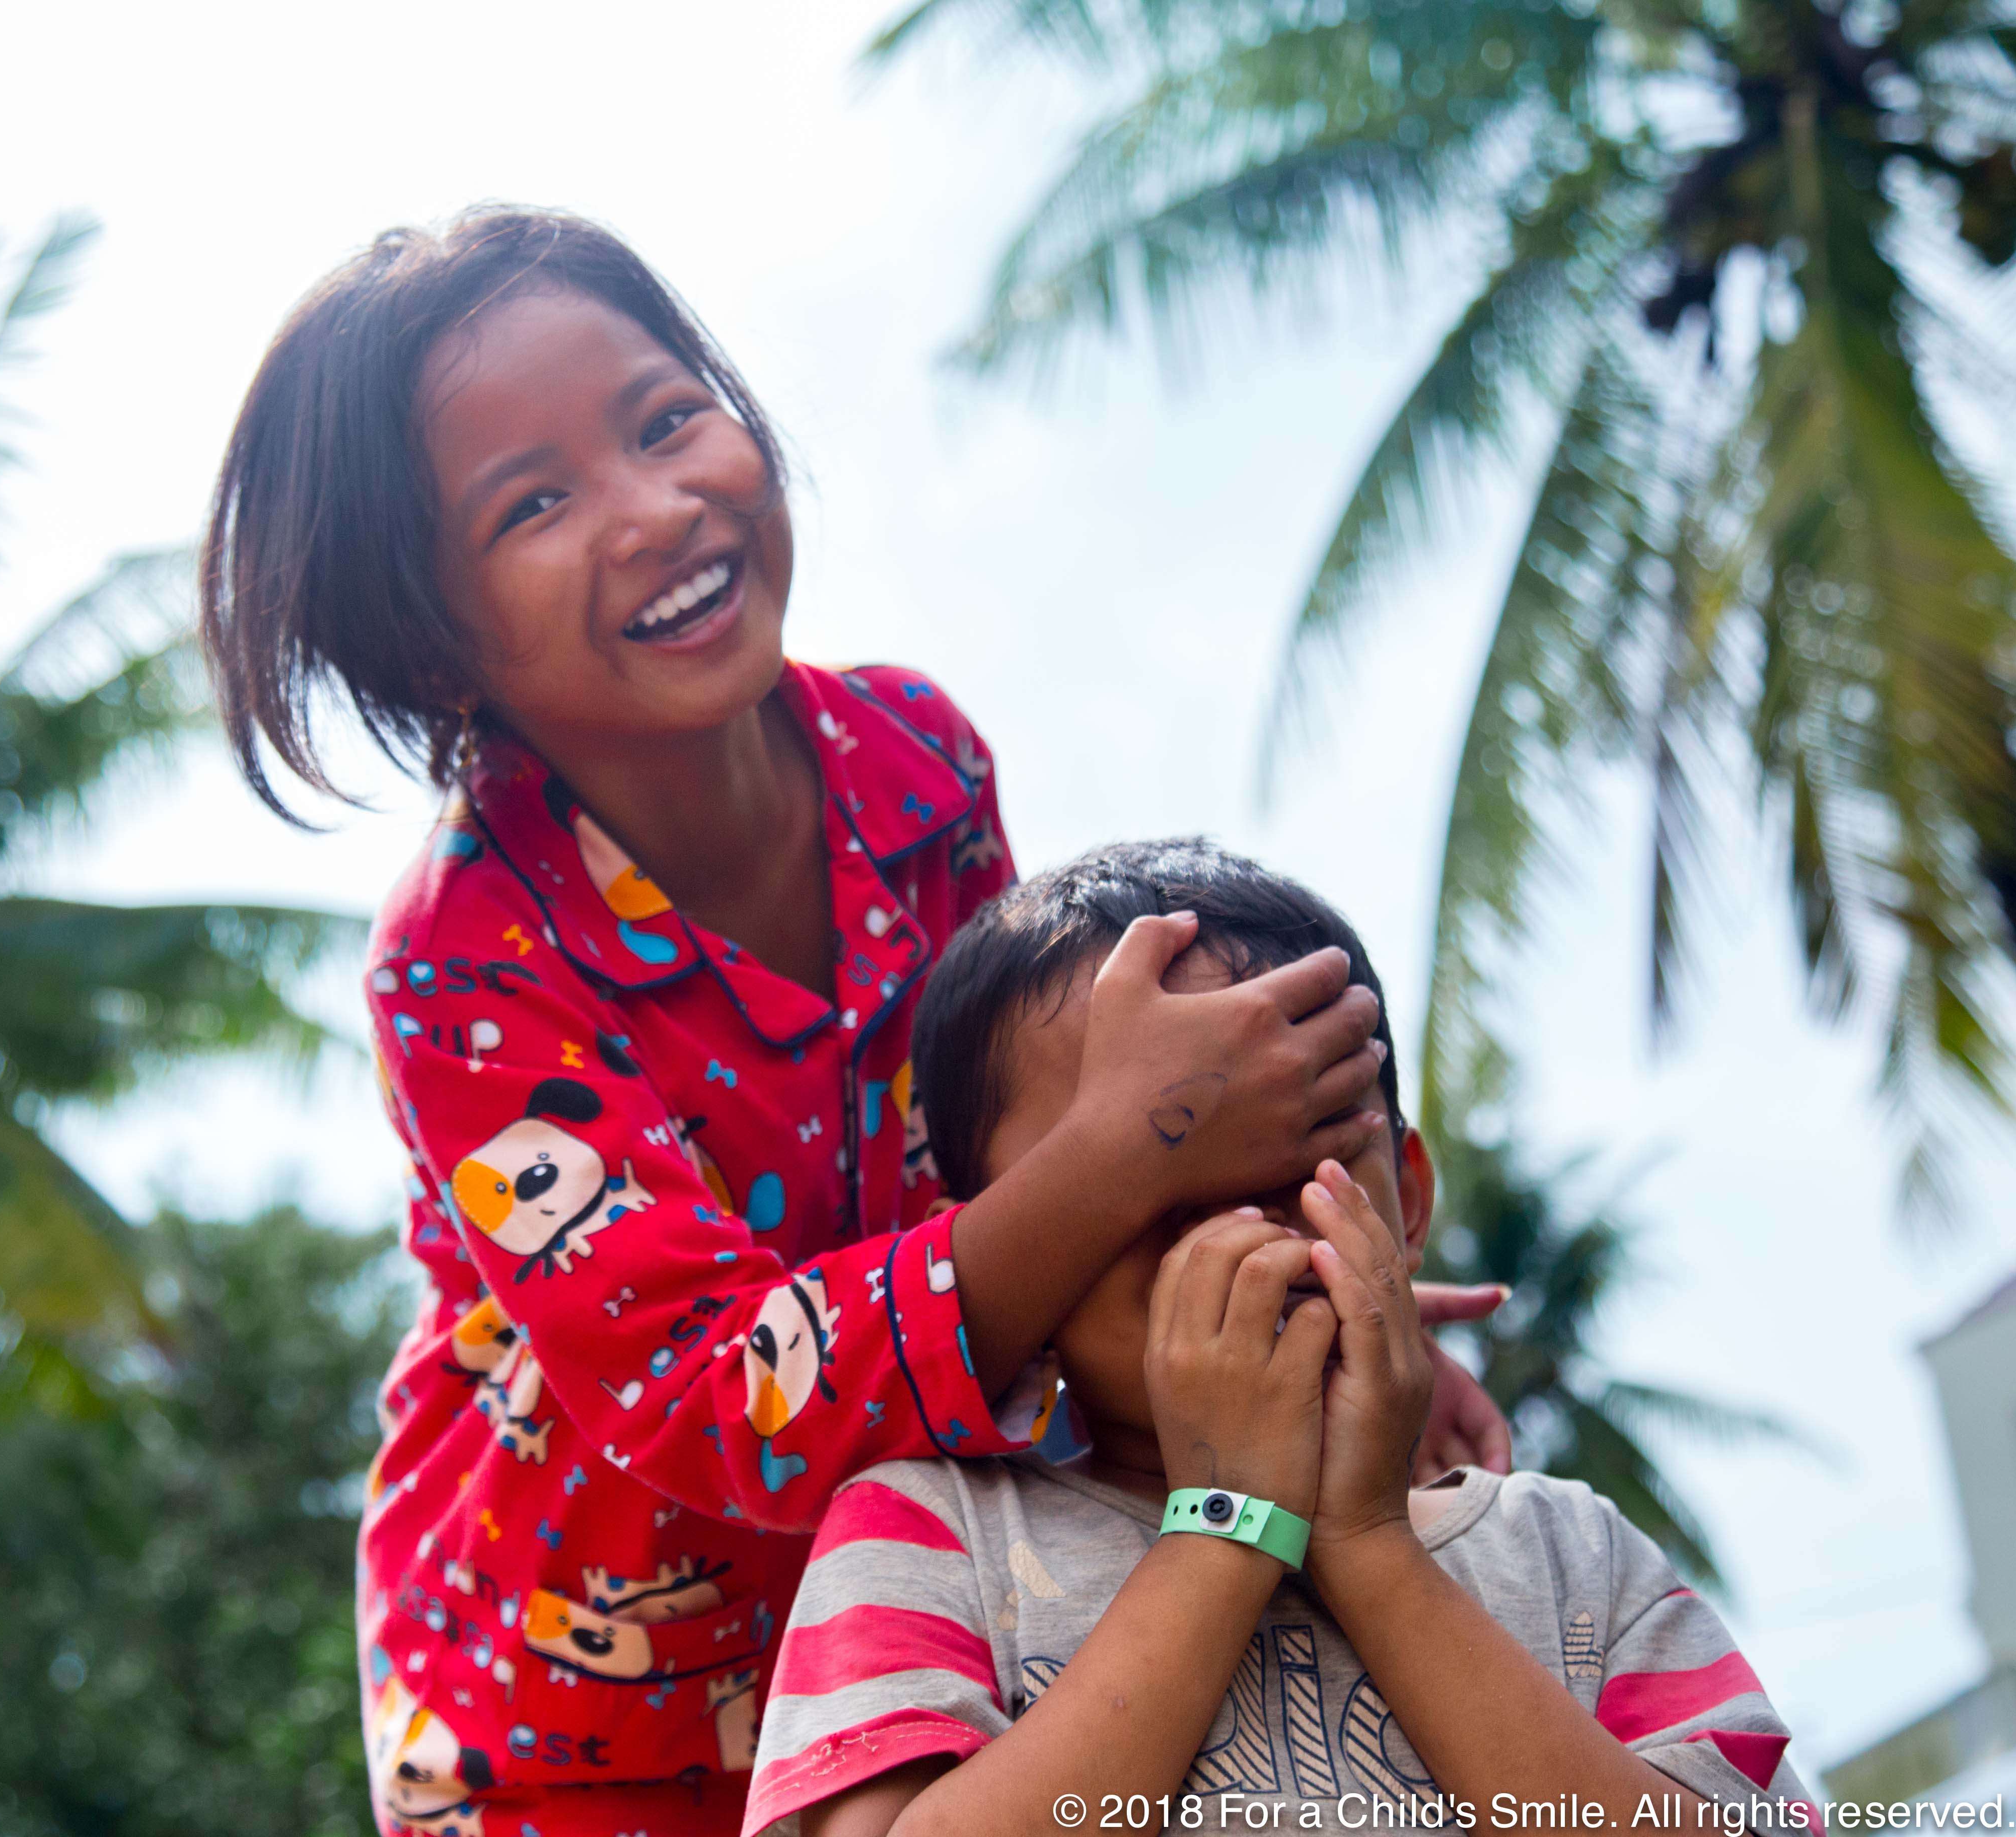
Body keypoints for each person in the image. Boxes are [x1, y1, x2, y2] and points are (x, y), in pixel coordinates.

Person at [198, 211, 1511, 1837]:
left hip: (938, 1618)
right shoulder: (464, 954)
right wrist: (1134, 1142)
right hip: (577, 1729)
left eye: (666, 416)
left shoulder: (916, 759)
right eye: (531, 503)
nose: (654, 507)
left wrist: (1318, 1293)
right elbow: (710, 1394)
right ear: (431, 643)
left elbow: (1014, 1128)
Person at [748, 840, 1809, 1837]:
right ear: (1021, 1246)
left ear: (1410, 1196)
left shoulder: (1568, 1554)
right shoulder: (929, 1544)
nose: (1243, 1242)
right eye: (1154, 1188)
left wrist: (1369, 1548)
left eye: (1290, 1169)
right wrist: (1226, 1527)